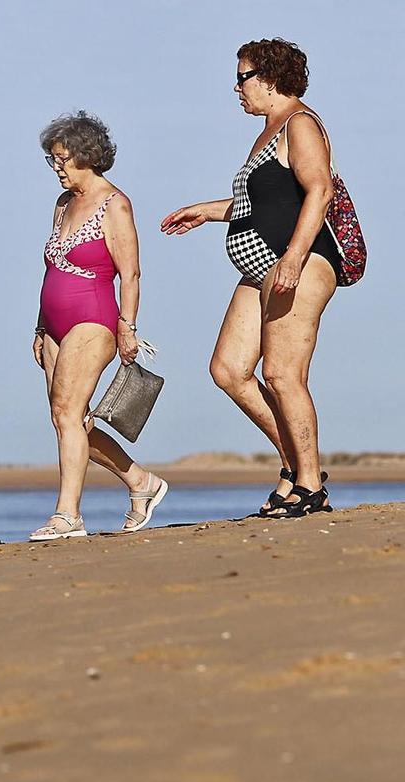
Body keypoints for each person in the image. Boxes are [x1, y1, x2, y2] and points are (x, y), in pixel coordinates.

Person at [161, 38, 339, 518]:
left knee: (282, 374)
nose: (236, 88)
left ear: (270, 78)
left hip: (297, 262)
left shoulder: (299, 124)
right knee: (229, 370)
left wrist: (294, 259)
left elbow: (318, 190)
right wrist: (207, 211)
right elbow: (264, 204)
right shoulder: (268, 130)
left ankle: (309, 486)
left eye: (242, 77)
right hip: (261, 264)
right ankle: (294, 465)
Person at [31, 111, 168, 541]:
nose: (56, 167)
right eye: (52, 160)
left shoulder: (115, 204)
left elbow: (131, 274)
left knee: (68, 413)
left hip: (94, 320)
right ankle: (141, 482)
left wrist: (127, 327)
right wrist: (39, 329)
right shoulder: (62, 205)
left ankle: (68, 515)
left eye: (61, 159)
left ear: (87, 155)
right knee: (68, 419)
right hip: (53, 324)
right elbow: (49, 268)